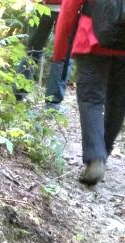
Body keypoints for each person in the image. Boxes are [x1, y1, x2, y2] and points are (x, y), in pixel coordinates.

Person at [53, 0, 125, 184]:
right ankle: (103, 153)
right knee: (118, 102)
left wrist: (59, 52)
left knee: (90, 100)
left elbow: (69, 9)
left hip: (91, 41)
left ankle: (96, 158)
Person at [16, 0, 73, 108]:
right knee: (63, 54)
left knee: (32, 50)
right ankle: (53, 103)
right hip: (66, 6)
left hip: (40, 5)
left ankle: (17, 94)